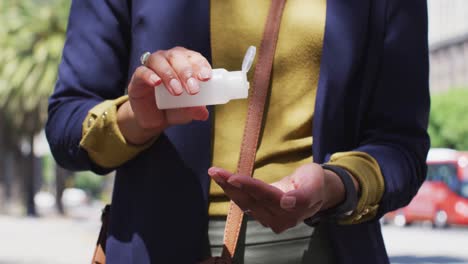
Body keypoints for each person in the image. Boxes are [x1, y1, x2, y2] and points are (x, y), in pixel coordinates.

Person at [46, 0, 430, 263]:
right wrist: (136, 118)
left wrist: (337, 184)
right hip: (155, 248)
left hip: (323, 248)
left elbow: (401, 145)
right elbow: (67, 127)